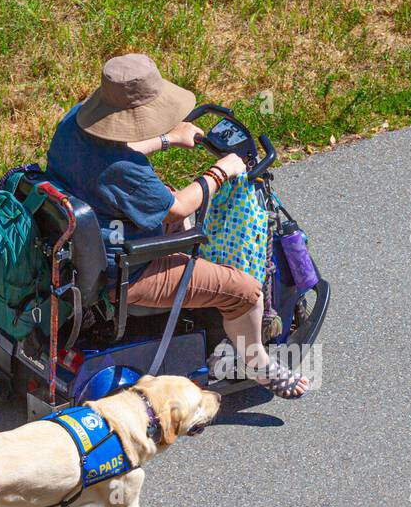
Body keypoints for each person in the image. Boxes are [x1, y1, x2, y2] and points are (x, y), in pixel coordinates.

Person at [46, 53, 308, 399]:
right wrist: (223, 169)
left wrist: (169, 139)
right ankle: (257, 361)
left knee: (180, 214)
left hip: (85, 245)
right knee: (246, 291)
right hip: (127, 270)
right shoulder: (123, 171)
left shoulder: (72, 124)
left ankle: (202, 313)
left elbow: (113, 152)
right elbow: (177, 207)